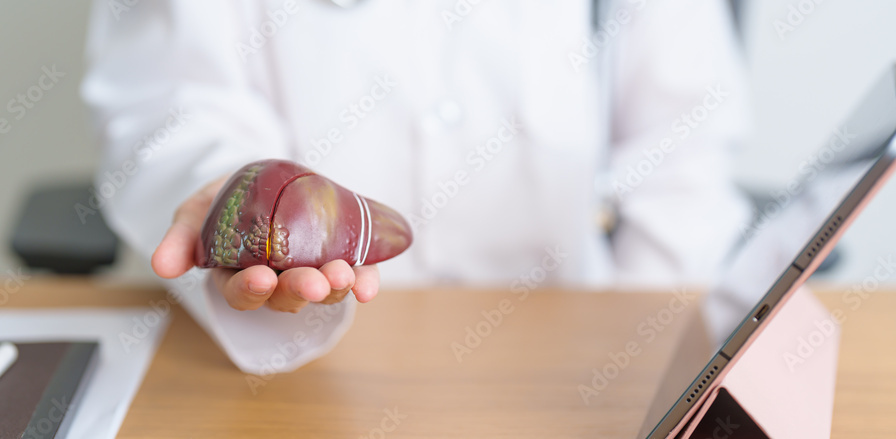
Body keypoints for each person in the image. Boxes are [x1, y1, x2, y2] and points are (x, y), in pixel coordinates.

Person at [81, 0, 752, 374]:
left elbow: (682, 160)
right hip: (317, 373)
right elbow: (169, 104)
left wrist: (636, 368)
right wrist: (224, 191)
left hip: (572, 363)